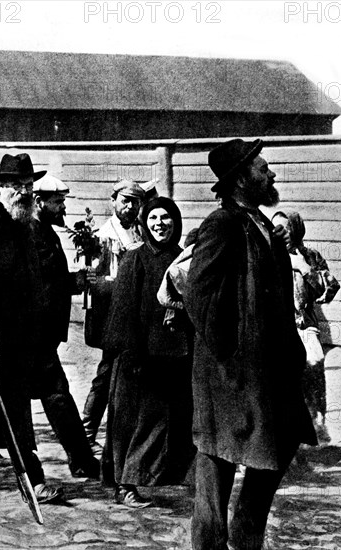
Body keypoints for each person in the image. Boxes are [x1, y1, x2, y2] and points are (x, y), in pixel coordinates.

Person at [184, 138, 317, 550]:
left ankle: (246, 541)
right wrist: (229, 350)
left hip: (265, 374)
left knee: (274, 453)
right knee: (216, 468)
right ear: (241, 179)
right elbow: (198, 292)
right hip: (229, 377)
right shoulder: (222, 224)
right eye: (262, 168)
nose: (271, 174)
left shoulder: (260, 225)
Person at [102, 197, 195, 509]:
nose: (159, 224)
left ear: (175, 223)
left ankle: (154, 477)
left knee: (164, 422)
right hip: (140, 358)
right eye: (153, 218)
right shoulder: (135, 259)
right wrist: (132, 356)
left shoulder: (181, 259)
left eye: (166, 218)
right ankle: (124, 485)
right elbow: (123, 311)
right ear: (145, 223)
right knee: (131, 424)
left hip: (173, 356)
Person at [0, 153, 62, 503]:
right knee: (12, 409)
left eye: (29, 186)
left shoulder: (26, 224)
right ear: (0, 187)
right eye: (16, 186)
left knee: (3, 408)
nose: (24, 192)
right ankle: (33, 479)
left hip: (26, 337)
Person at [30, 174, 100, 479]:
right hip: (34, 334)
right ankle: (81, 459)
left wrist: (74, 281)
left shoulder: (45, 232)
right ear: (39, 202)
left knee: (52, 395)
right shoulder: (31, 234)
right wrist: (72, 281)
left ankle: (80, 458)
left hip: (42, 334)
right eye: (57, 202)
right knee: (57, 395)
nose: (62, 209)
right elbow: (37, 284)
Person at [82, 179, 145, 452]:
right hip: (111, 317)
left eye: (135, 202)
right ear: (113, 201)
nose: (130, 207)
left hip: (137, 316)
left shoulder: (141, 231)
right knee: (107, 373)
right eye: (125, 200)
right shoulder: (102, 236)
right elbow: (95, 282)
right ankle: (86, 433)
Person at [272, 210, 340, 444]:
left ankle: (314, 426)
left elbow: (328, 289)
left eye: (287, 228)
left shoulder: (309, 256)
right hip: (275, 327)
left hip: (303, 324)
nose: (282, 234)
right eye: (277, 229)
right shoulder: (267, 255)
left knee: (313, 367)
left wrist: (305, 269)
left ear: (297, 230)